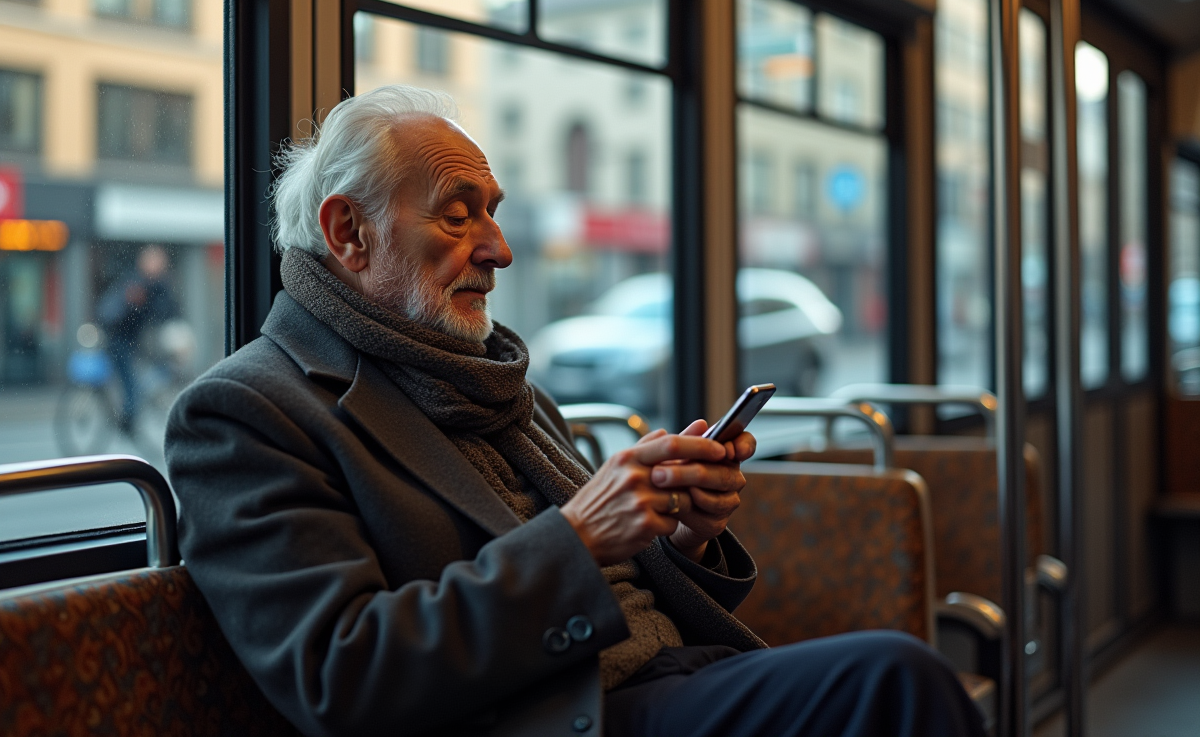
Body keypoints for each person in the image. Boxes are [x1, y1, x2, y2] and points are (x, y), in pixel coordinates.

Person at [165, 85, 985, 737]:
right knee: (897, 679)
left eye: (493, 211)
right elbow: (340, 678)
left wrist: (683, 534)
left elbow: (620, 585)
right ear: (349, 231)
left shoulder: (494, 380)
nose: (499, 248)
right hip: (554, 713)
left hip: (660, 677)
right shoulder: (247, 412)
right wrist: (581, 535)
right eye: (459, 212)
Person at [97, 244, 178, 432]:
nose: (157, 266)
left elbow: (166, 310)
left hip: (135, 339)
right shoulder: (136, 283)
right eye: (153, 262)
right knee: (129, 381)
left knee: (144, 374)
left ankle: (131, 414)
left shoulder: (156, 285)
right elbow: (124, 310)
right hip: (119, 338)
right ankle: (128, 420)